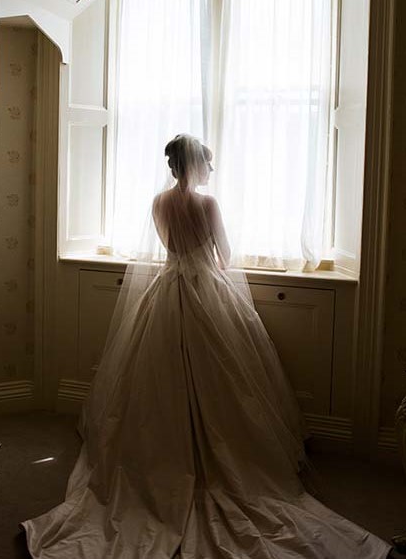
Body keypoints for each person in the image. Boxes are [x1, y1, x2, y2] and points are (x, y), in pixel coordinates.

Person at [22, 134, 391, 558]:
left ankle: (161, 455)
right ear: (194, 166)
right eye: (208, 164)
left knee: (155, 375)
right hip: (203, 287)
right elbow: (225, 254)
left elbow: (167, 247)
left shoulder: (158, 203)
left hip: (167, 288)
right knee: (226, 376)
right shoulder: (208, 204)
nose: (211, 171)